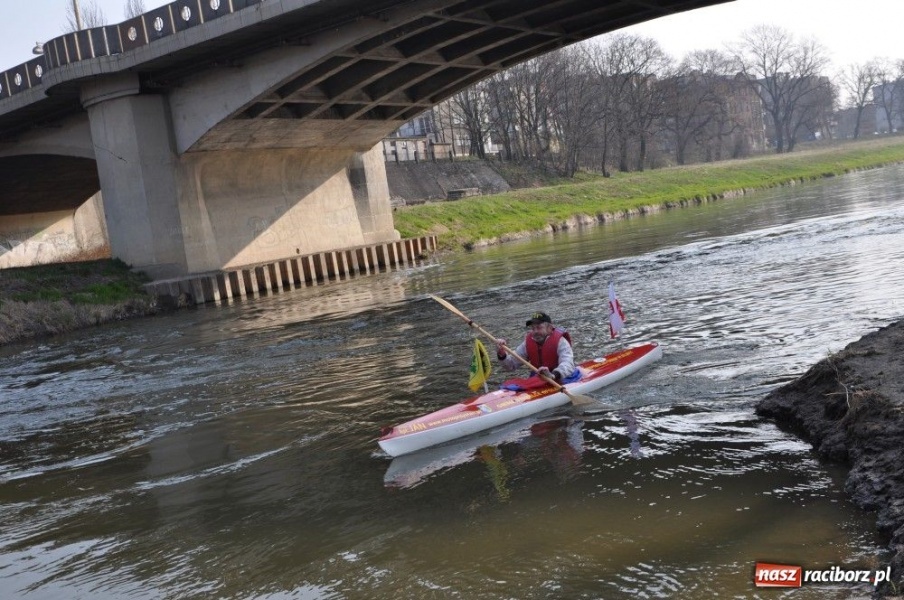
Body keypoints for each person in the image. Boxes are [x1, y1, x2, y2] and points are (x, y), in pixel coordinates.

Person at [495, 311, 576, 383]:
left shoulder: (561, 342)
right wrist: (502, 354)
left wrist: (553, 375)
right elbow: (510, 366)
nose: (535, 332)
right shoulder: (528, 343)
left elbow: (568, 364)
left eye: (539, 327)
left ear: (550, 328)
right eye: (533, 328)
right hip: (541, 377)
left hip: (561, 377)